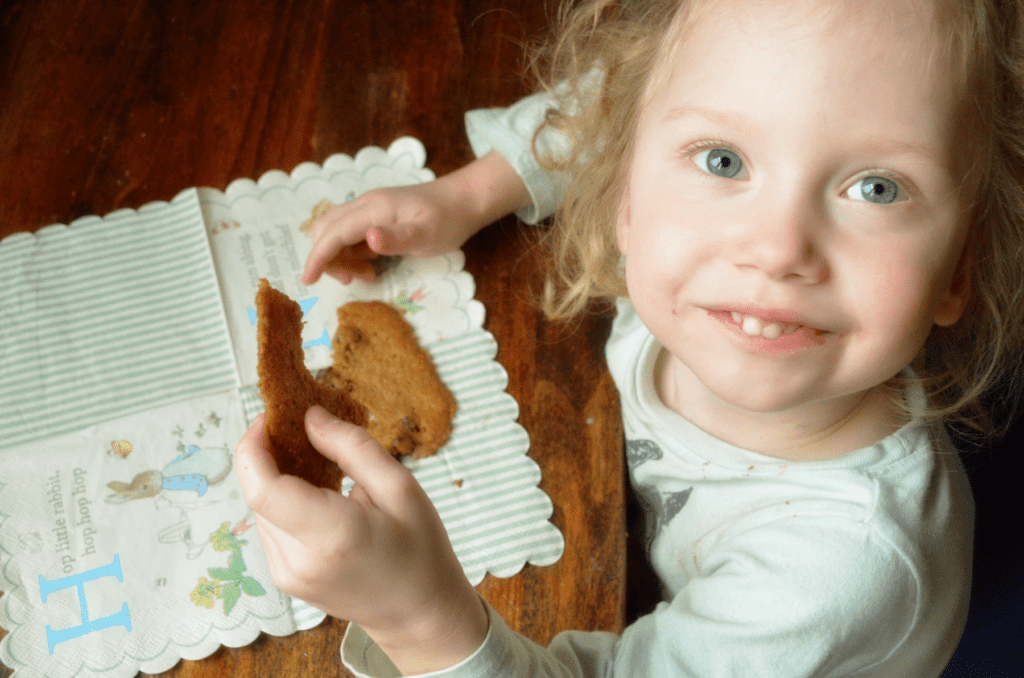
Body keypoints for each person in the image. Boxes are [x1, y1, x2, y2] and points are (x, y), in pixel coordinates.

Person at [233, 0, 1024, 675]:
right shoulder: (711, 279)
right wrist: (471, 193)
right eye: (724, 160)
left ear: (961, 265)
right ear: (622, 184)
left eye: (876, 187)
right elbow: (616, 97)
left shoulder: (836, 572)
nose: (778, 248)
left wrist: (415, 617)